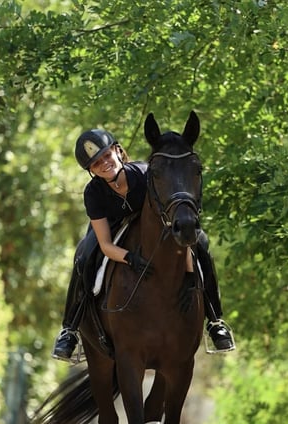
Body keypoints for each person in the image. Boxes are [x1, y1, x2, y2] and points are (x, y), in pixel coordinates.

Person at [51, 127, 235, 361]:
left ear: (118, 151)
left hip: (151, 224)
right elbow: (106, 244)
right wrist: (129, 258)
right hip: (112, 227)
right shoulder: (93, 193)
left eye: (107, 156)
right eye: (97, 164)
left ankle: (215, 320)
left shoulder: (144, 174)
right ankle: (70, 329)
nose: (105, 164)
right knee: (84, 255)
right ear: (91, 171)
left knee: (202, 242)